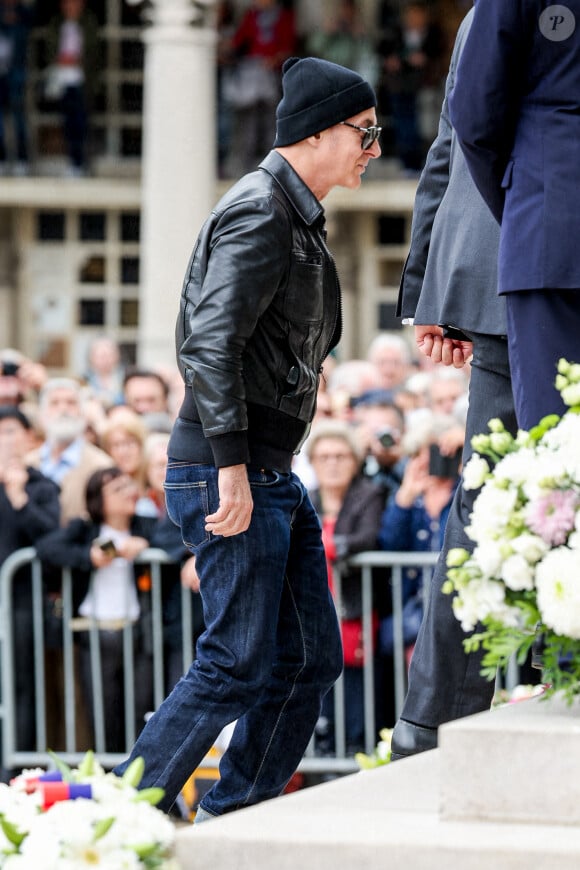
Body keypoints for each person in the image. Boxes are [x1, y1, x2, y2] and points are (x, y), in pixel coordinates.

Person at [113, 55, 381, 820]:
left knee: (307, 661)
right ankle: (117, 814)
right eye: (364, 133)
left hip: (264, 470)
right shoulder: (263, 208)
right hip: (231, 468)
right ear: (321, 131)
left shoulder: (287, 211)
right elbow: (209, 342)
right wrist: (231, 465)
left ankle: (234, 817)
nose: (373, 148)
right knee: (235, 662)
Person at [389, 7, 518, 760]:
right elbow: (462, 133)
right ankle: (432, 722)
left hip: (492, 268)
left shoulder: (480, 15)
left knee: (488, 496)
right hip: (517, 267)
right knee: (487, 501)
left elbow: (447, 144)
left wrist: (427, 290)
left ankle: (429, 723)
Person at [448, 0, 580, 431]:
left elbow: (473, 111)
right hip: (546, 217)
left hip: (549, 221)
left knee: (555, 436)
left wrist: (523, 202)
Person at [35, 467, 156, 752]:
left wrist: (146, 545)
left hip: (139, 631)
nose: (128, 492)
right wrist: (88, 556)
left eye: (129, 484)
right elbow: (46, 548)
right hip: (96, 632)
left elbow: (172, 541)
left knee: (142, 709)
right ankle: (110, 777)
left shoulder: (146, 525)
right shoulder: (85, 528)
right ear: (98, 500)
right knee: (104, 714)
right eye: (117, 488)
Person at [307, 419, 384, 754]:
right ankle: (322, 757)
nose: (333, 463)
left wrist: (328, 545)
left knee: (354, 697)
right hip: (311, 613)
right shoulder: (305, 499)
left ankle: (353, 752)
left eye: (340, 456)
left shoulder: (367, 495)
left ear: (354, 461)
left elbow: (367, 538)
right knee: (317, 695)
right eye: (324, 457)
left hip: (353, 612)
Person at [0, 405, 60, 769]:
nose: (5, 441)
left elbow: (51, 538)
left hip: (22, 602)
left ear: (28, 438)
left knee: (21, 687)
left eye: (11, 432)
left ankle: (14, 771)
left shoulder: (41, 485)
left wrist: (19, 496)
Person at [26, 377, 112, 525]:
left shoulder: (101, 466)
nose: (63, 409)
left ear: (83, 414)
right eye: (54, 403)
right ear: (42, 415)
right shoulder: (27, 464)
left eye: (71, 403)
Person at [45, 0, 99, 175]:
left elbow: (94, 53)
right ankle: (73, 163)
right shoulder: (57, 24)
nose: (71, 7)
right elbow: (50, 50)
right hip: (63, 80)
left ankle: (82, 164)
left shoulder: (89, 23)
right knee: (68, 124)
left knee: (81, 123)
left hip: (81, 81)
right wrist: (60, 60)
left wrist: (77, 60)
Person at [0, 0, 33, 176]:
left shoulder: (22, 11)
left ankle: (22, 159)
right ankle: (2, 159)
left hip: (16, 70)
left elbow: (32, 20)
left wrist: (16, 16)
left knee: (19, 116)